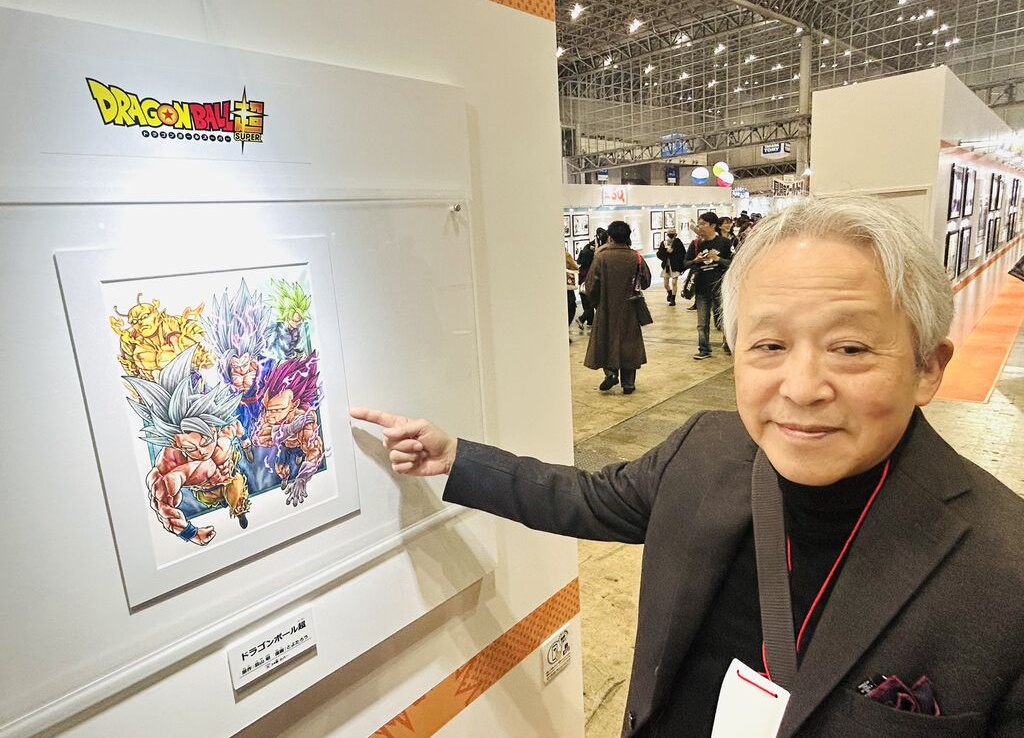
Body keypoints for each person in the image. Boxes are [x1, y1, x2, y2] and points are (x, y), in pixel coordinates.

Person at [351, 194, 1024, 738]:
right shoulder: (707, 451)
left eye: (849, 348)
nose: (801, 387)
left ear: (928, 368)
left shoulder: (1003, 565)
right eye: (769, 345)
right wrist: (455, 458)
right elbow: (586, 498)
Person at [583, 220, 649, 394]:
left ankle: (611, 373)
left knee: (606, 340)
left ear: (610, 237)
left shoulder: (601, 257)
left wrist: (596, 303)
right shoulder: (636, 257)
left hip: (606, 308)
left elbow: (591, 286)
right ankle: (628, 383)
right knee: (629, 342)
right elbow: (646, 281)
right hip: (630, 308)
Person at [685, 211, 732, 359]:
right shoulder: (696, 244)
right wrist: (695, 261)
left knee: (725, 319)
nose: (699, 226)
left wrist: (718, 259)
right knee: (702, 323)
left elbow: (733, 263)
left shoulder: (725, 243)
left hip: (720, 287)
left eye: (703, 224)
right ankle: (704, 348)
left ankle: (728, 344)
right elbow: (684, 264)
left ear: (713, 225)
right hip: (701, 288)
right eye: (699, 224)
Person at [576, 227, 607, 331]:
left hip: (583, 283)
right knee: (592, 304)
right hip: (589, 283)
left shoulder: (587, 249)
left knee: (587, 304)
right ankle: (582, 319)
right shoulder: (592, 252)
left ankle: (590, 323)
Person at [655, 228, 686, 306]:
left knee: (674, 282)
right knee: (666, 284)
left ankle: (673, 299)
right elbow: (659, 254)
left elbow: (682, 254)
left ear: (675, 234)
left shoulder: (678, 242)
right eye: (669, 232)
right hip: (667, 266)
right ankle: (669, 292)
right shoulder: (664, 243)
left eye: (672, 232)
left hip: (675, 265)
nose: (671, 234)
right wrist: (666, 251)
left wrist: (673, 252)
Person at [565, 249, 579, 343]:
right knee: (570, 311)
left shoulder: (566, 256)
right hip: (568, 293)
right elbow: (575, 268)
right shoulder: (566, 256)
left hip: (567, 292)